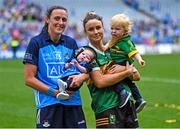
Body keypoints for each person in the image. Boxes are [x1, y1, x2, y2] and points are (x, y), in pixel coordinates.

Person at [23, 6, 88, 128]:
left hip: (72, 102)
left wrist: (75, 84)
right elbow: (29, 79)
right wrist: (55, 93)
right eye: (57, 18)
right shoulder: (36, 42)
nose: (61, 22)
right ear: (47, 19)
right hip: (48, 104)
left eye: (64, 19)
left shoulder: (71, 43)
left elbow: (79, 70)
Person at [83, 11, 140, 128]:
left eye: (98, 27)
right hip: (106, 107)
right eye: (91, 29)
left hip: (128, 105)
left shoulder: (112, 50)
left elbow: (137, 76)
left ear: (103, 28)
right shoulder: (87, 53)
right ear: (85, 32)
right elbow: (100, 82)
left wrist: (124, 68)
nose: (96, 32)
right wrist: (126, 72)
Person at [105, 13, 147, 112]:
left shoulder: (125, 42)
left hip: (122, 63)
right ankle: (139, 99)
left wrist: (140, 59)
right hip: (120, 63)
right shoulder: (114, 40)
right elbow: (105, 47)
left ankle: (122, 92)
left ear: (125, 31)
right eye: (112, 28)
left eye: (117, 29)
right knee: (130, 83)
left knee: (111, 78)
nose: (113, 31)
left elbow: (134, 52)